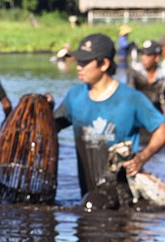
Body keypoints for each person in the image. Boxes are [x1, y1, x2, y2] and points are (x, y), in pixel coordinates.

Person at [52, 33, 165, 208]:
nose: (78, 67)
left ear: (104, 64)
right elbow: (53, 126)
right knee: (89, 204)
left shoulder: (131, 99)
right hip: (88, 191)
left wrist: (142, 157)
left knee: (92, 204)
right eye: (78, 61)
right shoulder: (75, 97)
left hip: (119, 191)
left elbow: (162, 129)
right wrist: (44, 107)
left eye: (85, 62)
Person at [127, 39, 165, 113]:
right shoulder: (135, 73)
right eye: (142, 54)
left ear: (157, 58)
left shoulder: (163, 76)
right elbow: (129, 97)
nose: (143, 58)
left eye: (148, 55)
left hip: (157, 115)